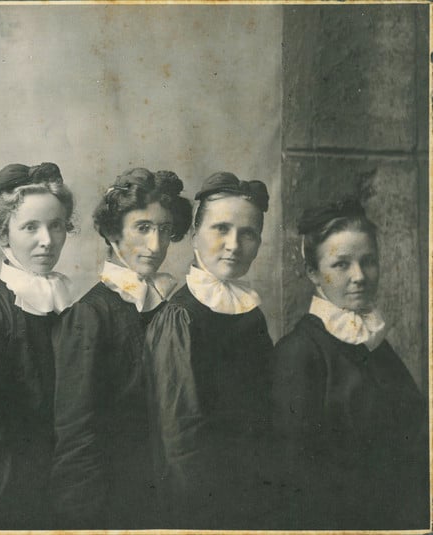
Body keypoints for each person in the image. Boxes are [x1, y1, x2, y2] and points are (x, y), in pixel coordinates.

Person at [271, 198, 428, 529]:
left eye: (368, 261)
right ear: (314, 273)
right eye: (341, 264)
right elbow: (296, 478)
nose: (359, 276)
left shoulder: (374, 343)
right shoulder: (298, 354)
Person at [50, 168, 192, 528]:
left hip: (161, 496)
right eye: (142, 228)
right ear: (113, 232)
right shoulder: (90, 314)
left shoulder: (168, 308)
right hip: (109, 503)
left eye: (163, 230)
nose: (156, 245)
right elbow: (76, 433)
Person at [144, 171, 275, 528]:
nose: (234, 244)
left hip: (254, 497)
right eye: (221, 229)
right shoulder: (180, 316)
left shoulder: (251, 314)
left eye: (248, 233)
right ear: (195, 237)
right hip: (203, 507)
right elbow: (179, 441)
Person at [0, 162, 75, 528]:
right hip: (11, 496)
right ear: (4, 234)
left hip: (64, 485)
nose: (47, 240)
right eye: (30, 227)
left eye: (56, 226)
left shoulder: (68, 305)